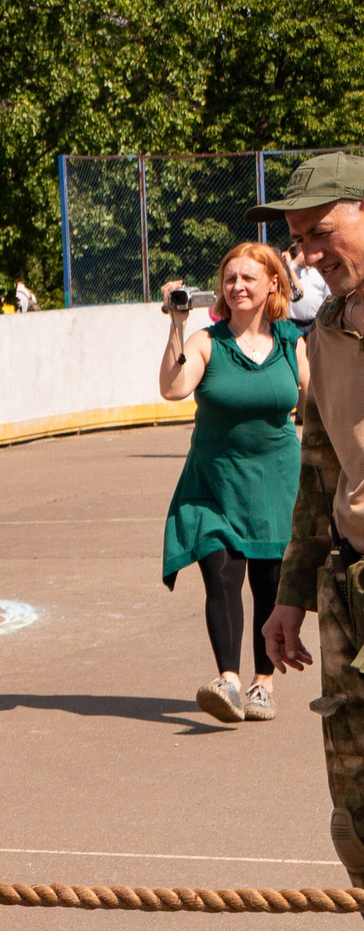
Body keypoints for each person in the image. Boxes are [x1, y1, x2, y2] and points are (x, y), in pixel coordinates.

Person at [256, 155, 364, 931]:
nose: (307, 252)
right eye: (295, 238)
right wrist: (291, 593)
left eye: (320, 232)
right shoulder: (328, 329)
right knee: (357, 804)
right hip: (351, 586)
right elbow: (318, 471)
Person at [160, 242, 307, 724]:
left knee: (269, 582)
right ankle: (228, 680)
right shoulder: (206, 340)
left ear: (273, 284)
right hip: (214, 483)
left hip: (275, 481)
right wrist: (176, 326)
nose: (238, 286)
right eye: (230, 278)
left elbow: (317, 398)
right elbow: (174, 388)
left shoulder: (290, 341)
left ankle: (263, 686)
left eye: (248, 277)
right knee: (221, 575)